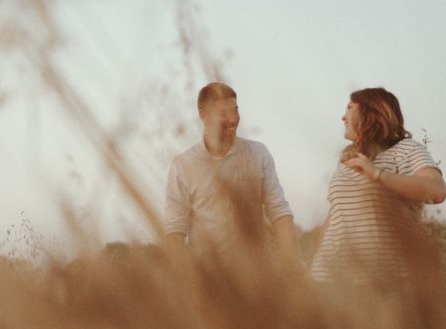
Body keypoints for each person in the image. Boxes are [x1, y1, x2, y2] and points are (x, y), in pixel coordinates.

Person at [310, 87, 446, 282]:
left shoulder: (405, 149)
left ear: (369, 112)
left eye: (349, 108)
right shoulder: (348, 160)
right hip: (327, 281)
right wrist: (312, 269)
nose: (342, 117)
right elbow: (334, 220)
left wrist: (377, 174)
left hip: (381, 283)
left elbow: (436, 191)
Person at [164, 82, 300, 264]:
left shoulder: (258, 153)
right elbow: (175, 228)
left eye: (235, 111)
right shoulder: (183, 165)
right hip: (209, 277)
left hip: (259, 275)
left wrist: (292, 265)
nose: (234, 119)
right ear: (204, 115)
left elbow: (279, 211)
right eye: (224, 114)